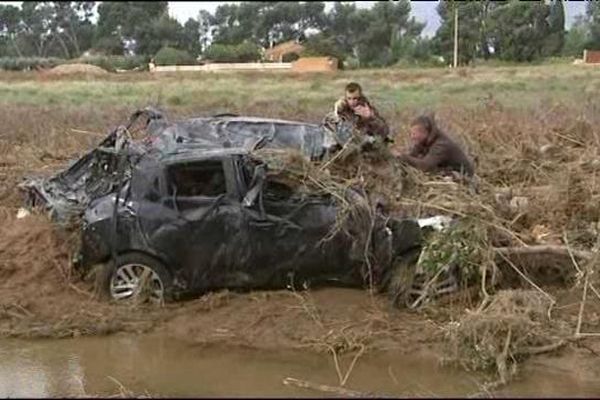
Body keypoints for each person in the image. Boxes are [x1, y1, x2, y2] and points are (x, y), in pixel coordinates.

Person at [395, 114, 474, 177]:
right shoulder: (424, 141)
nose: (412, 137)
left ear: (425, 132)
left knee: (431, 173)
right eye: (411, 134)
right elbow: (412, 156)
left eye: (414, 134)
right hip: (445, 169)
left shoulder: (441, 144)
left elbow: (425, 166)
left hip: (461, 175)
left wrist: (403, 157)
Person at [327, 82, 391, 143]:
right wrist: (336, 113)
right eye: (349, 98)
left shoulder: (366, 109)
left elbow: (384, 130)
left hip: (365, 142)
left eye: (355, 98)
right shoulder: (342, 108)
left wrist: (370, 117)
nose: (352, 102)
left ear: (360, 97)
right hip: (347, 141)